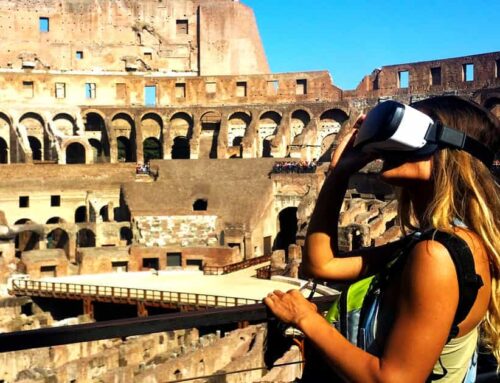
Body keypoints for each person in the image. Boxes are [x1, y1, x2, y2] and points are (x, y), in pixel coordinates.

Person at [264, 96, 499, 382]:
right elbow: (322, 264)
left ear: (447, 147)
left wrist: (305, 318)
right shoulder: (429, 244)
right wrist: (340, 174)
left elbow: (394, 379)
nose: (390, 147)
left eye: (405, 136)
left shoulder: (437, 254)